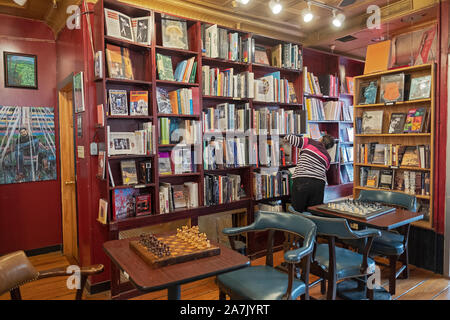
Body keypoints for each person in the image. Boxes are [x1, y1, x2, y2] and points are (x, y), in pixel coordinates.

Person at [283, 133, 335, 213]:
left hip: (303, 180)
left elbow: (291, 138)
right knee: (314, 212)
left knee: (298, 211)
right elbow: (324, 170)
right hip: (319, 184)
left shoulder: (310, 142)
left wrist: (286, 137)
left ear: (320, 139)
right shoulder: (328, 157)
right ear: (329, 147)